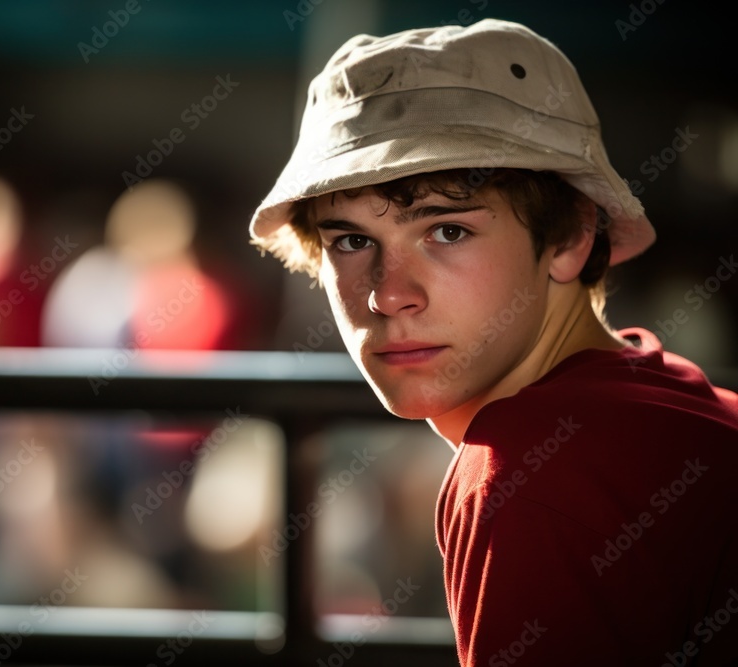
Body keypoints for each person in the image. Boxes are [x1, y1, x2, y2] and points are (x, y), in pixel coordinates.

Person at [248, 18, 738, 666]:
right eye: (352, 241)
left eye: (447, 231)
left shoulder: (527, 469)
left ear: (570, 237)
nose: (387, 295)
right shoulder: (659, 396)